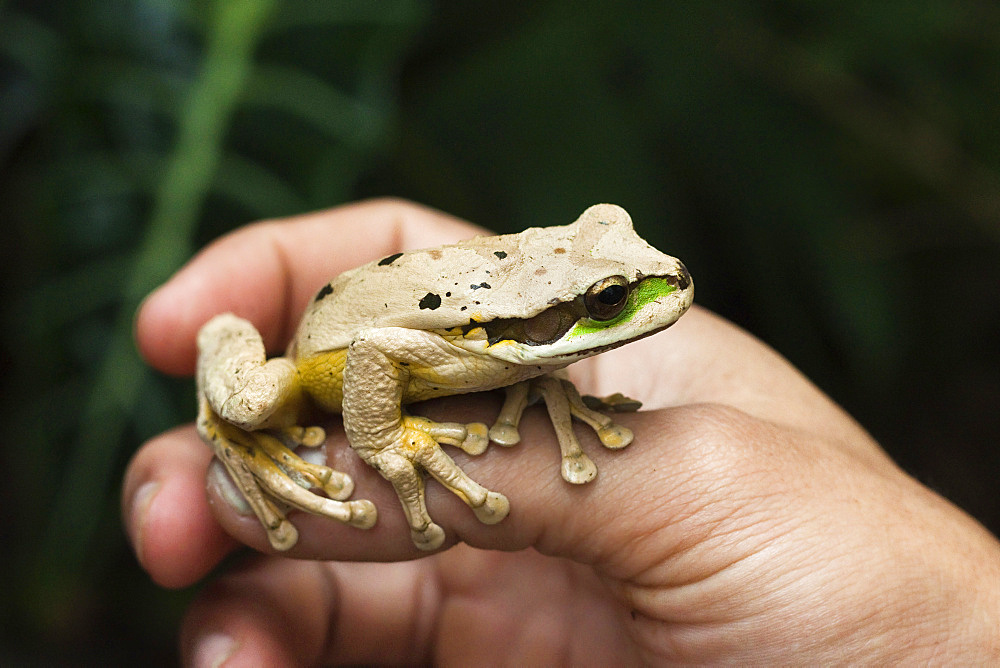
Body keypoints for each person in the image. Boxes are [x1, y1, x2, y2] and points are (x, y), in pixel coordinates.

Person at [123, 199, 1000, 665]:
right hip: (326, 357)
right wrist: (385, 442)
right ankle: (234, 426)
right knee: (251, 401)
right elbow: (380, 349)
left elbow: (517, 338)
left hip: (492, 331)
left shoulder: (519, 339)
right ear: (542, 325)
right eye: (612, 301)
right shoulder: (486, 341)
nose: (667, 285)